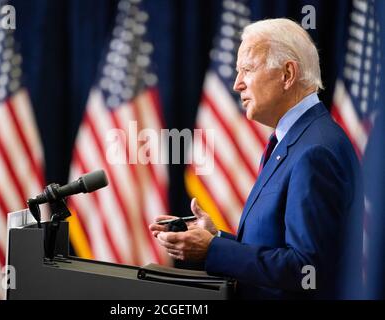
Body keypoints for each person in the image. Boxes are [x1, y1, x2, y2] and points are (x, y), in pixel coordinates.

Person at [149, 18, 363, 299]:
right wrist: (217, 239)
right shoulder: (295, 139)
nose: (237, 84)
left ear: (287, 74)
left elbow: (307, 269)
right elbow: (277, 246)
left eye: (247, 70)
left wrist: (213, 251)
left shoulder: (316, 150)